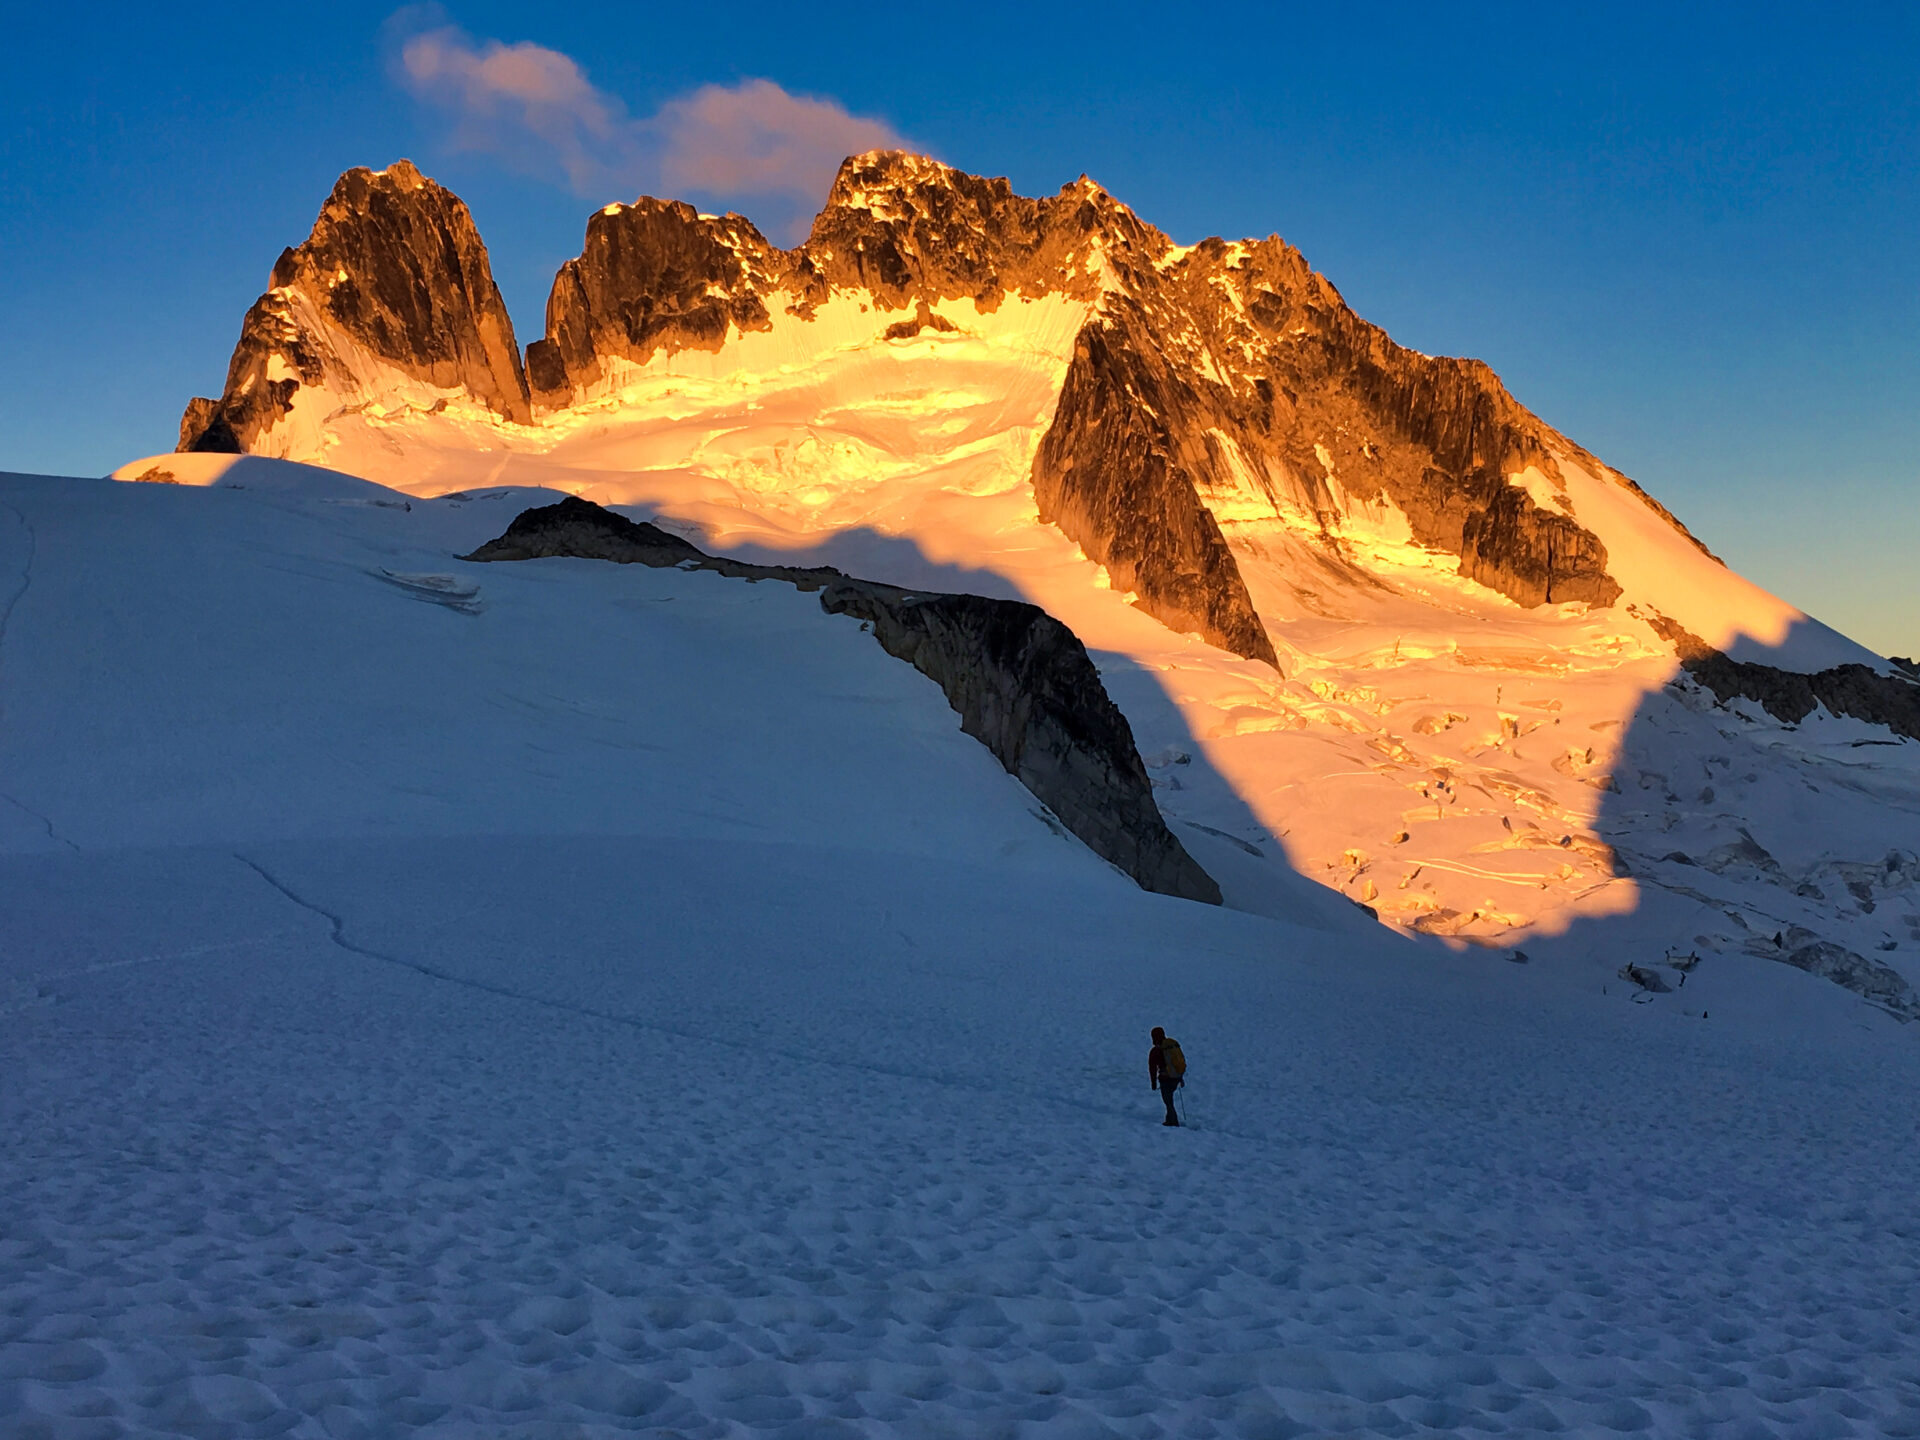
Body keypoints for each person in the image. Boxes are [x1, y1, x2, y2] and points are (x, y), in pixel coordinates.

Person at [1148, 1026, 1185, 1126]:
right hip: (1176, 1078)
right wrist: (1180, 1077)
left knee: (1168, 1101)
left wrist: (1153, 1083)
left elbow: (1152, 1068)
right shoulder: (1172, 1046)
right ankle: (1170, 1119)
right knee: (1169, 1101)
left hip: (1165, 1079)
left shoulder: (1155, 1051)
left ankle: (1172, 1121)